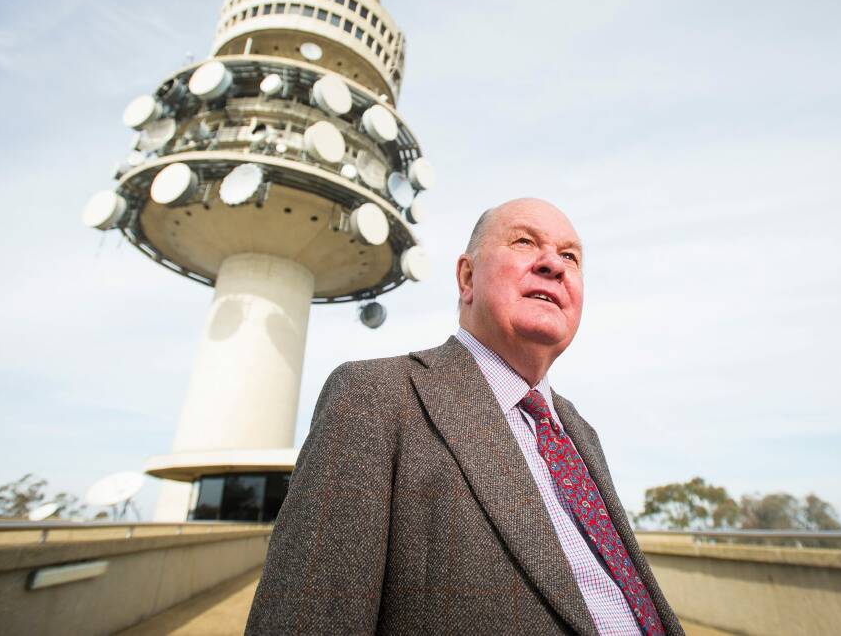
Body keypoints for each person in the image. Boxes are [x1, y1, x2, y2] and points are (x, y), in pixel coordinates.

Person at [246, 198, 683, 635]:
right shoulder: (374, 397)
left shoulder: (580, 432)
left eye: (570, 255)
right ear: (467, 277)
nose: (554, 263)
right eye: (525, 242)